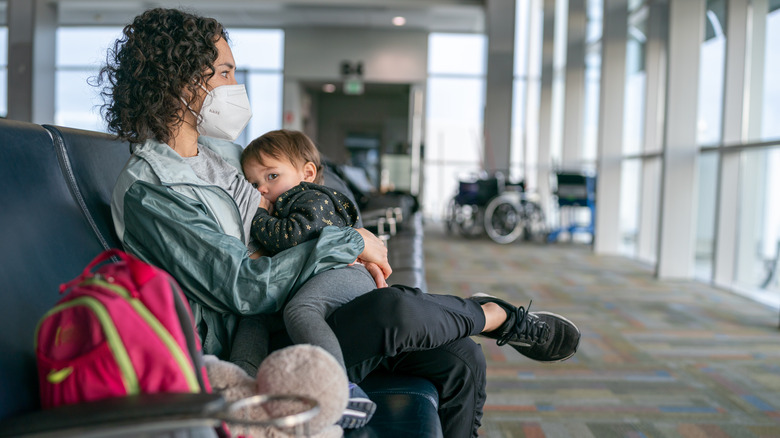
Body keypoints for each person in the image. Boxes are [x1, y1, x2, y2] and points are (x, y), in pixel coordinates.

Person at [101, 8, 581, 438]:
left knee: (460, 358)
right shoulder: (153, 190)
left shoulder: (221, 155)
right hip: (253, 337)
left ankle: (478, 320)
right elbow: (242, 288)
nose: (233, 86)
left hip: (294, 296)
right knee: (394, 314)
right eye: (224, 73)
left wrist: (341, 248)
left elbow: (284, 216)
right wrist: (348, 241)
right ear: (182, 83)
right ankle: (495, 315)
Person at [239, 129, 380, 427]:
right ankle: (242, 385)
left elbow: (289, 237)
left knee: (301, 309)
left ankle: (343, 391)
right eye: (253, 183)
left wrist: (258, 216)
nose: (261, 189)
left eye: (271, 176)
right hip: (323, 275)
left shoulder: (312, 198)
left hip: (349, 274)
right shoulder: (288, 202)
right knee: (254, 317)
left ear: (307, 172)